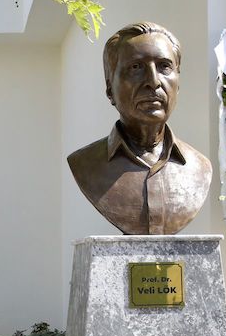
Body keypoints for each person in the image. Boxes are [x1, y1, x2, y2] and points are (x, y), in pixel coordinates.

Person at [67, 22, 212, 235]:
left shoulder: (199, 168)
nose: (153, 82)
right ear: (109, 87)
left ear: (178, 84)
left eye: (164, 66)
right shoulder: (85, 165)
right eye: (136, 68)